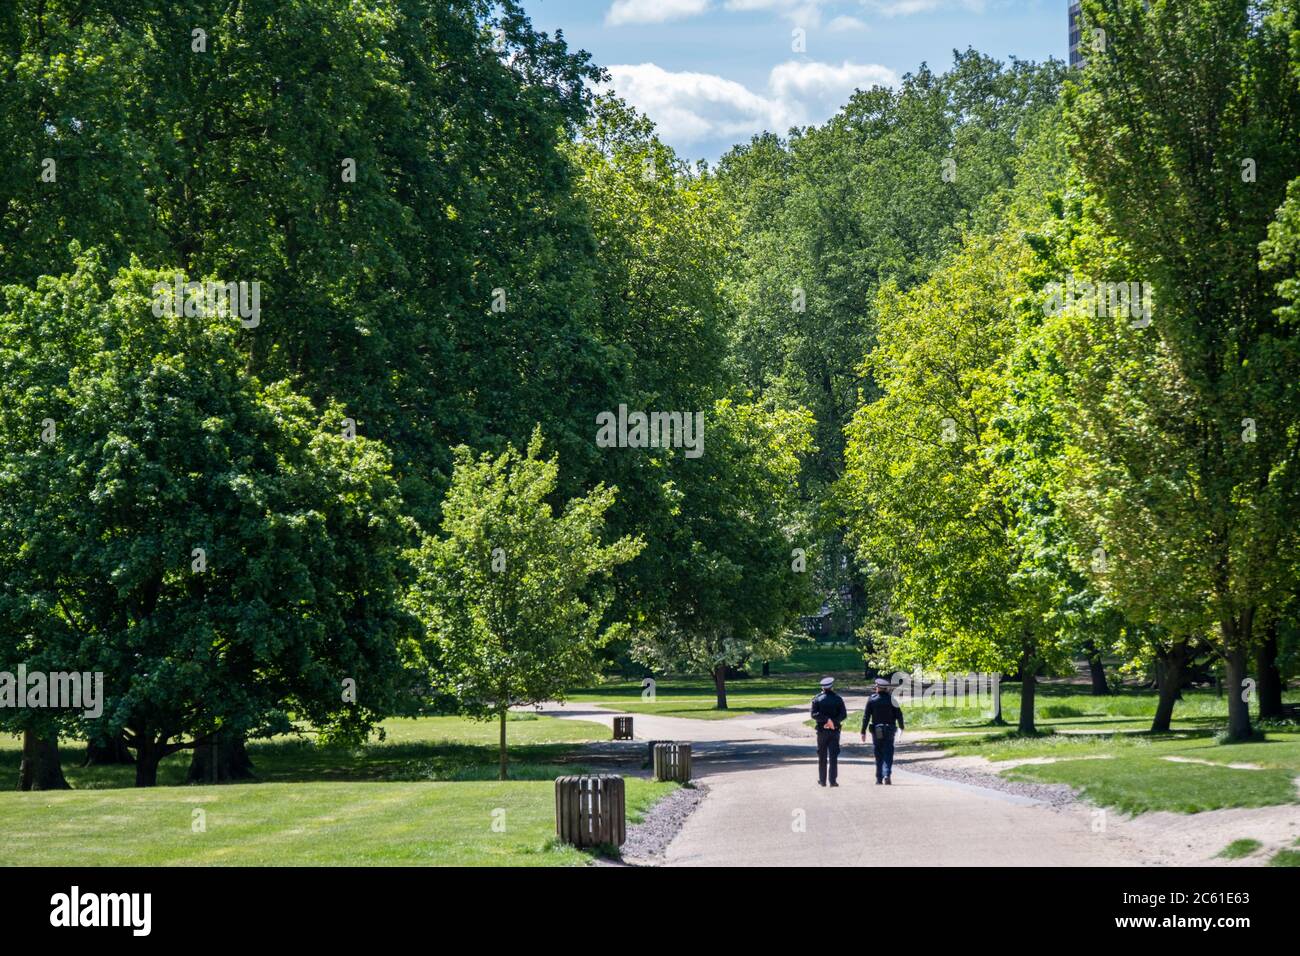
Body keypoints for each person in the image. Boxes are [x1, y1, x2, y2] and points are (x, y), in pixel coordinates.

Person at [860, 677, 904, 785]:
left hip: (878, 730)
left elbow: (866, 716)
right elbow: (899, 715)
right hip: (889, 729)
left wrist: (863, 731)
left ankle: (878, 778)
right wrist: (901, 727)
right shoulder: (892, 699)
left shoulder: (872, 699)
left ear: (878, 688)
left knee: (878, 752)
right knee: (888, 752)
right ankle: (887, 774)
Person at [811, 676, 847, 787]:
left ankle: (822, 780)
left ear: (822, 687)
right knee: (833, 756)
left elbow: (814, 714)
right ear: (832, 686)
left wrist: (826, 720)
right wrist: (833, 721)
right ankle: (833, 780)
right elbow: (843, 715)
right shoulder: (838, 699)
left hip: (822, 731)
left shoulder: (817, 698)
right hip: (834, 731)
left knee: (822, 756)